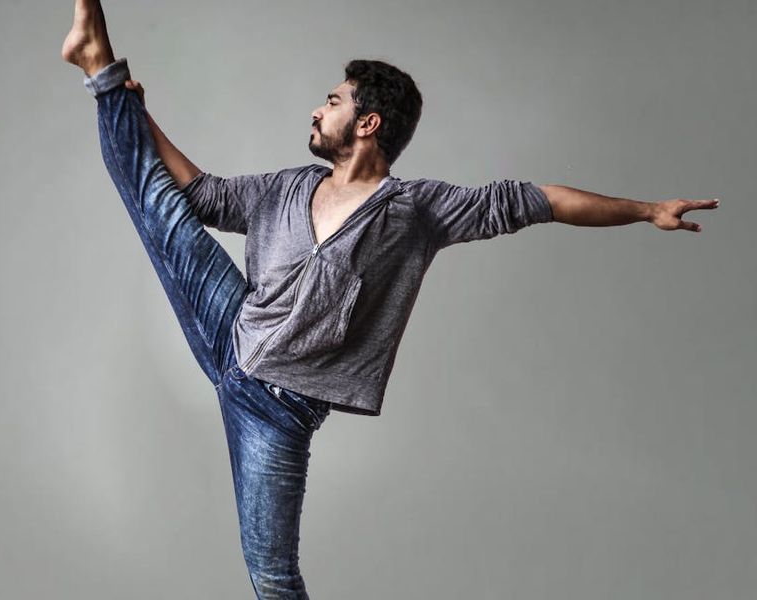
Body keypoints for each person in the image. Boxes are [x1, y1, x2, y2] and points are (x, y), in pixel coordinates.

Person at [61, 1, 719, 597]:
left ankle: (105, 79)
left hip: (276, 412)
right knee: (160, 209)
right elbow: (200, 194)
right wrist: (133, 110)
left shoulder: (417, 211)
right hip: (230, 329)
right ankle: (99, 66)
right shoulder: (287, 188)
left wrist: (645, 209)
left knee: (270, 575)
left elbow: (537, 201)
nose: (318, 110)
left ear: (367, 122)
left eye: (332, 100)